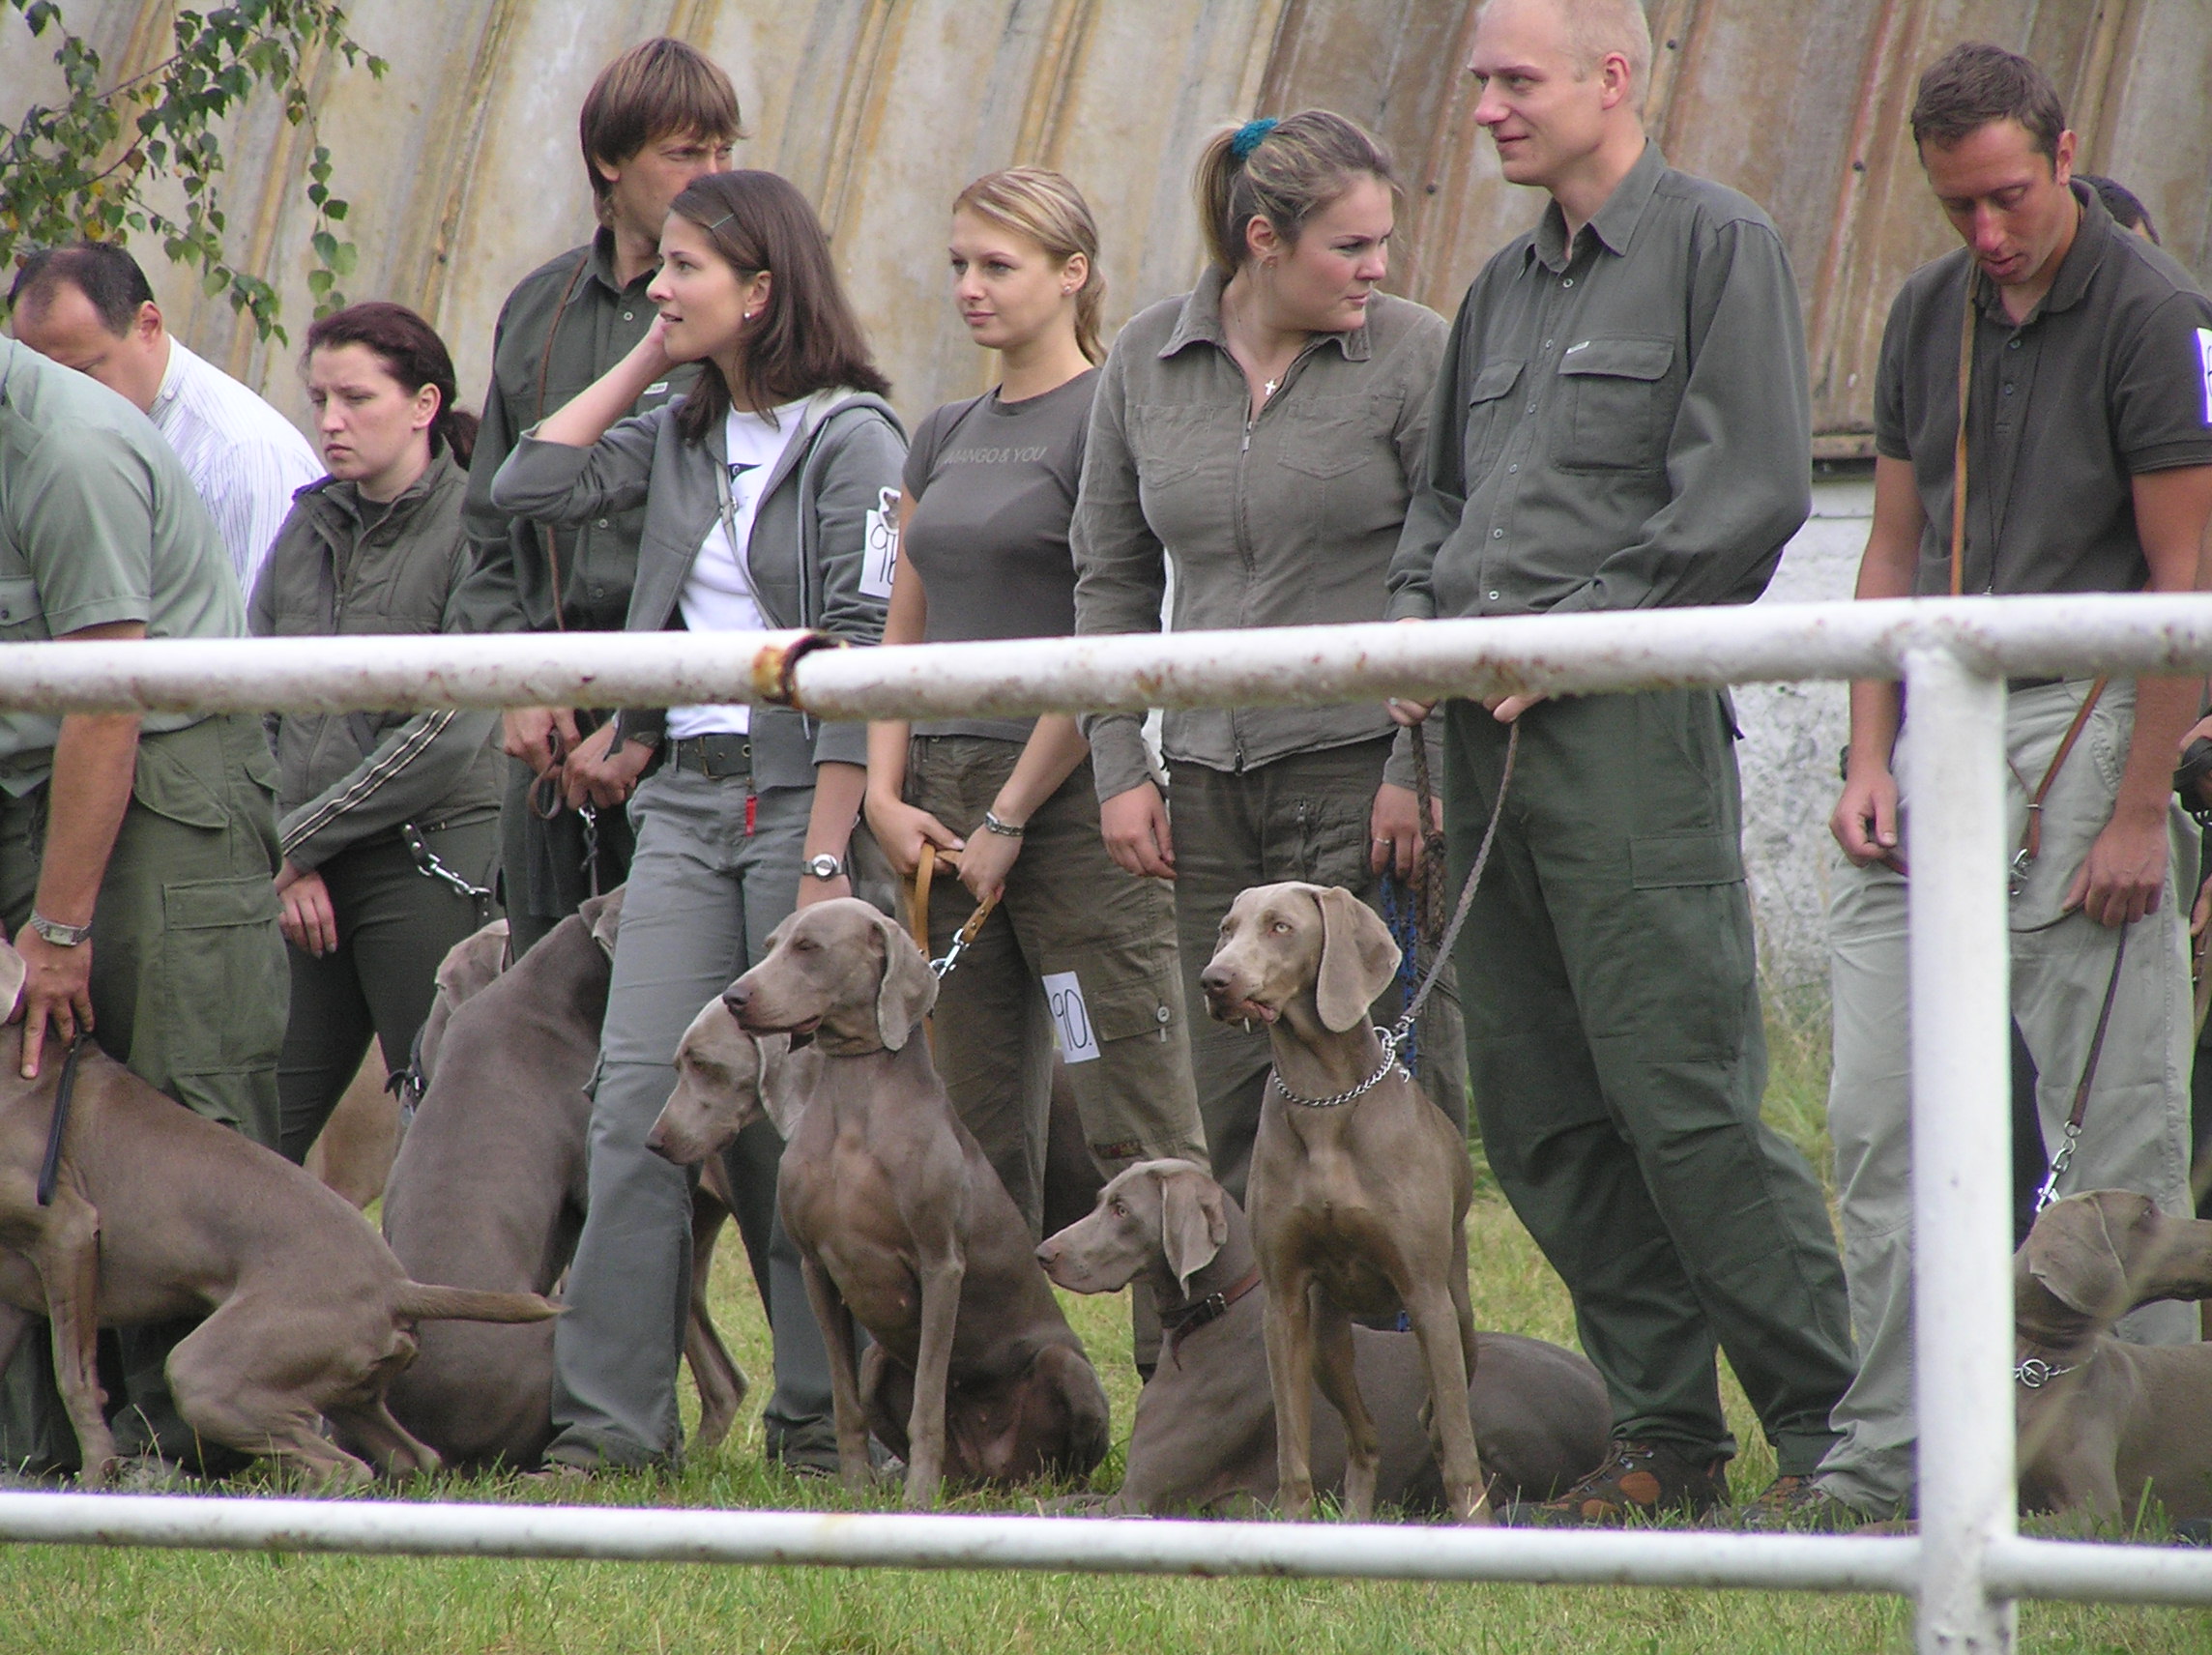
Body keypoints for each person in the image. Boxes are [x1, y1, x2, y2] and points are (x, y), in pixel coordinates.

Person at [1384, 0, 1855, 1525]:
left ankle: (1844, 1437)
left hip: (1625, 732)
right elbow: (1438, 512)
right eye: (1479, 86)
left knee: (1684, 1104)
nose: (1488, 113)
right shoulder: (1498, 292)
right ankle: (1666, 1438)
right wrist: (1414, 641)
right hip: (1477, 736)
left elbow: (1751, 497)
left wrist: (1569, 638)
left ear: (1612, 77)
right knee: (1542, 1115)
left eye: (1515, 83)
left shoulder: (1719, 247)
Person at [1816, 43, 2212, 1527]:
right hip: (1934, 710)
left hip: (2093, 711)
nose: (1985, 234)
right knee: (1881, 1115)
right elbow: (1890, 548)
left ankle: (2161, 1469)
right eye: (1955, 207)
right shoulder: (1928, 312)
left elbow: (2189, 580)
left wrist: (2135, 808)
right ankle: (1897, 1456)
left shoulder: (2161, 315)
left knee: (2113, 1145)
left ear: (2061, 153)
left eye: (2006, 197)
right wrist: (1865, 754)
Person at [492, 168, 905, 1475]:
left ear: (764, 291)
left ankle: (821, 1429)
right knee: (639, 1109)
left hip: (801, 800)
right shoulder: (677, 425)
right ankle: (609, 1434)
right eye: (657, 269)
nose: (656, 292)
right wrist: (652, 366)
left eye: (682, 273)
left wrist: (829, 858)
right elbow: (528, 486)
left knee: (795, 1118)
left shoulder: (858, 438)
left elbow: (865, 656)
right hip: (684, 796)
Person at [1070, 108, 1465, 1205]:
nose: (1375, 268)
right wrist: (1118, 763)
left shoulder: (1411, 352)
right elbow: (1107, 577)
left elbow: (1443, 563)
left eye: (1382, 243)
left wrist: (1406, 767)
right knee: (1242, 1090)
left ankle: (1403, 1367)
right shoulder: (1145, 362)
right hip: (1203, 788)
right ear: (1261, 240)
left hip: (1357, 774)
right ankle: (1272, 1368)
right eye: (1350, 246)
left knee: (1379, 1082)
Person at [862, 168, 1208, 1272]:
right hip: (939, 807)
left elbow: (1107, 628)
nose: (969, 286)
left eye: (996, 265)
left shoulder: (1110, 415)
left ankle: (1190, 1385)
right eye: (959, 262)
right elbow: (899, 628)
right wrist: (882, 792)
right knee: (970, 1121)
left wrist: (1012, 810)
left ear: (1072, 276)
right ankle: (1003, 1398)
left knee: (1126, 1105)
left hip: (1061, 808)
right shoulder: (941, 431)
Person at [0, 334, 288, 1476]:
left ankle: (203, 1443)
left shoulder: (68, 449)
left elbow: (106, 702)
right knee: (26, 1116)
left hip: (166, 778)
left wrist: (60, 928)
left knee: (185, 1098)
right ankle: (42, 1450)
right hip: (34, 785)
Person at [457, 38, 742, 958]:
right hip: (552, 717)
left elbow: (765, 549)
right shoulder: (538, 308)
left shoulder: (743, 310)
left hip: (687, 726)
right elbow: (492, 526)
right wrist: (515, 682)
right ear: (610, 162)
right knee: (544, 1009)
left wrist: (642, 719)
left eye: (723, 153)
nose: (711, 177)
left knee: (683, 1021)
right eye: (684, 153)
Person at [250, 303, 504, 1165]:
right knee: (250, 1128)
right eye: (319, 397)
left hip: (427, 861)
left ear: (425, 404)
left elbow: (451, 728)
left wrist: (297, 840)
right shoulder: (305, 523)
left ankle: (465, 1306)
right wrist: (291, 859)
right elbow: (256, 699)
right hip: (300, 875)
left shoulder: (479, 527)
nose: (329, 421)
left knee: (445, 1138)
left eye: (356, 398)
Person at [8, 241, 323, 597]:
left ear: (148, 325)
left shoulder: (246, 457)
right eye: (37, 379)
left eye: (80, 374)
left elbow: (254, 645)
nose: (54, 401)